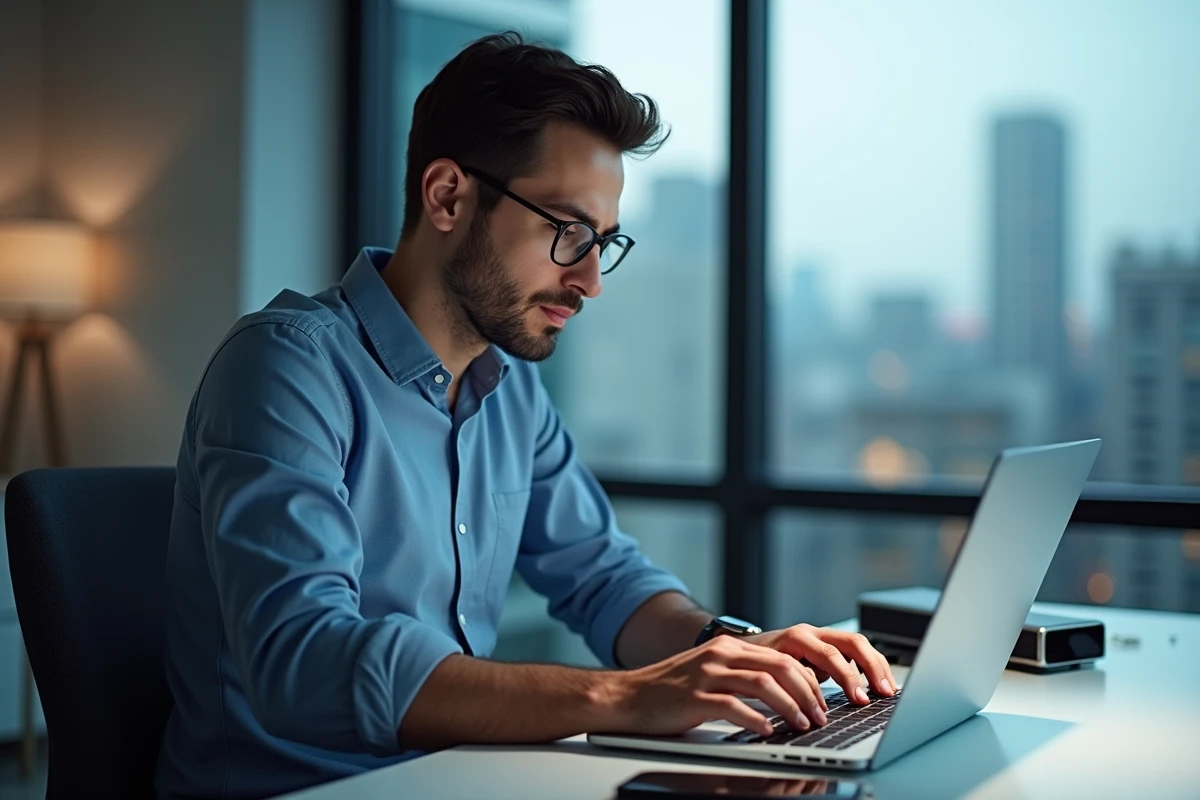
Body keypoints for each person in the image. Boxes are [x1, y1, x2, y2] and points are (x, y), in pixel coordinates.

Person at [156, 32, 897, 799]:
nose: (589, 280)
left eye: (603, 244)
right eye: (567, 232)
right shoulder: (286, 367)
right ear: (447, 196)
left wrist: (735, 652)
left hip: (459, 781)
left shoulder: (508, 389)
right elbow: (305, 662)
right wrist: (627, 697)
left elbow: (606, 580)